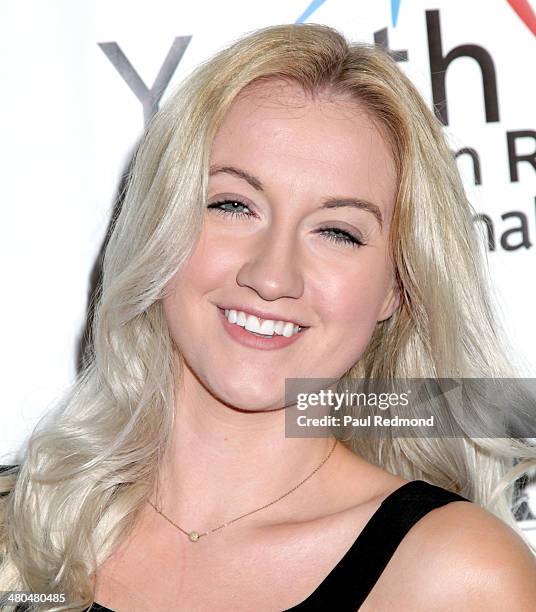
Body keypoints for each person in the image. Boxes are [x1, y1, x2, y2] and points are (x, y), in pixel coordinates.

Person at [1, 22, 536, 612]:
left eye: (337, 232)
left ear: (397, 287)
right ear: (161, 223)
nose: (272, 275)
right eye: (234, 205)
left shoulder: (456, 578)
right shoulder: (17, 534)